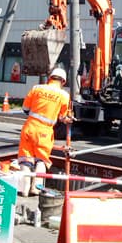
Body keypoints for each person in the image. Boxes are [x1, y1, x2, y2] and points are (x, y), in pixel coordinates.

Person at [17, 67, 72, 197]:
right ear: (63, 81)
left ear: (50, 78)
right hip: (45, 131)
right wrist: (67, 119)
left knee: (25, 159)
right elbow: (63, 117)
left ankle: (23, 190)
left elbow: (25, 108)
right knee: (41, 160)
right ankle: (35, 189)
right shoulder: (64, 95)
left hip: (29, 127)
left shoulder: (37, 88)